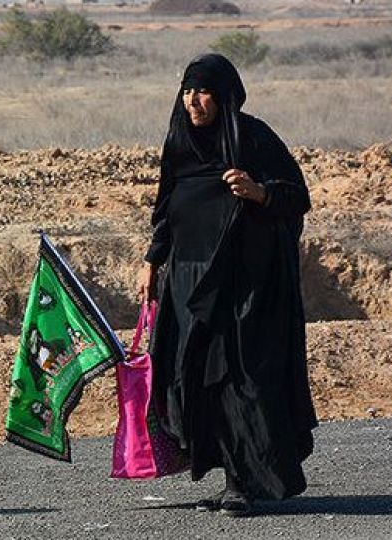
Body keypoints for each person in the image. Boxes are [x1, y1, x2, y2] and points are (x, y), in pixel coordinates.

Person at [136, 54, 317, 517]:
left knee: (240, 380)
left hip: (242, 286)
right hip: (188, 282)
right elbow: (166, 209)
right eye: (187, 91)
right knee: (196, 380)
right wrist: (152, 261)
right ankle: (230, 477)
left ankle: (245, 483)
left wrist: (261, 192)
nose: (192, 101)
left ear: (223, 96)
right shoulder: (180, 142)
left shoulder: (253, 138)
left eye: (203, 92)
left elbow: (298, 196)